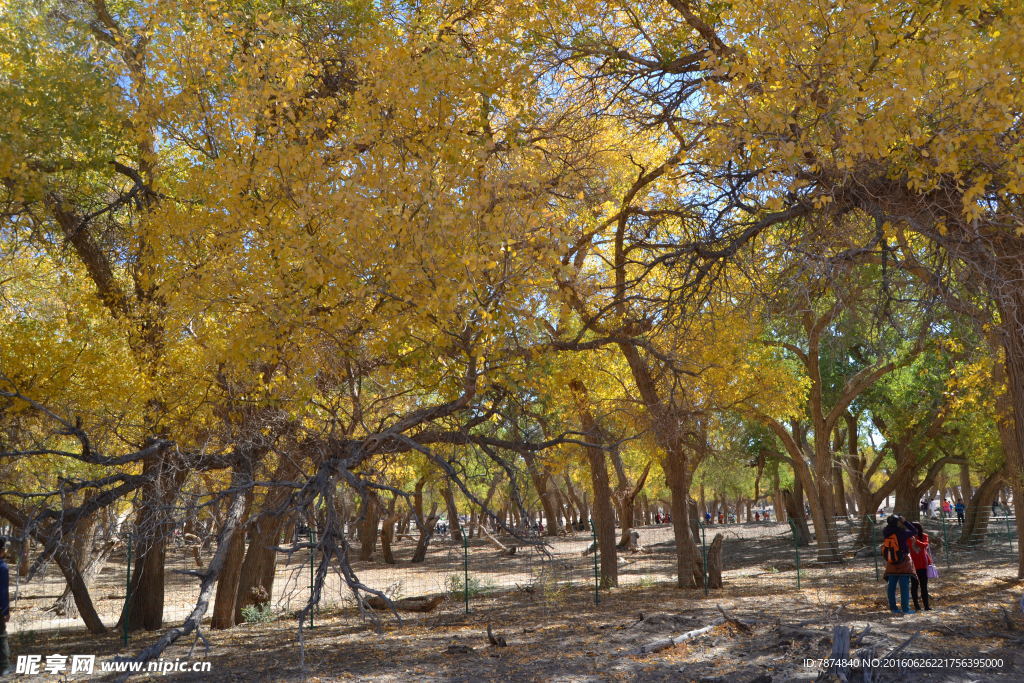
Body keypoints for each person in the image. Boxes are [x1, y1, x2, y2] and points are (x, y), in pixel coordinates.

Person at [882, 515, 916, 615]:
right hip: (903, 562)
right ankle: (905, 609)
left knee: (891, 587)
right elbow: (914, 531)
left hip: (891, 562)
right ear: (898, 522)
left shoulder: (885, 531)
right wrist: (905, 522)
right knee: (904, 587)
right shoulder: (901, 533)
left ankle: (893, 608)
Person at [908, 522, 932, 611]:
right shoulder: (908, 538)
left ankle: (926, 606)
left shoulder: (924, 536)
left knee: (924, 586)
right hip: (912, 566)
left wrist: (916, 541)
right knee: (914, 586)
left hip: (923, 564)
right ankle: (917, 606)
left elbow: (925, 545)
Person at [0, 537, 10, 674]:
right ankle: (4, 666)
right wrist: (5, 611)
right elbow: (3, 591)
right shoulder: (2, 568)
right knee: (1, 637)